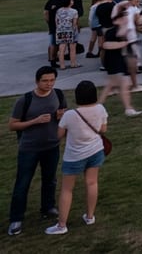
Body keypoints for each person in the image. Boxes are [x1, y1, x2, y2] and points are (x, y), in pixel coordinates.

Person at [7, 66, 66, 236]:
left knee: (50, 180)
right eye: (45, 81)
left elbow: (63, 116)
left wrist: (61, 117)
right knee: (22, 183)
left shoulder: (59, 95)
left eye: (52, 80)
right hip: (29, 148)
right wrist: (34, 121)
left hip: (52, 146)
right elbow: (12, 125)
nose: (49, 84)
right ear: (37, 81)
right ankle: (16, 218)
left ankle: (48, 207)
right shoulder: (25, 100)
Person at [44, 80, 106, 236]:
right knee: (92, 183)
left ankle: (62, 224)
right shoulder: (100, 109)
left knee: (67, 189)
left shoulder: (70, 115)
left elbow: (59, 135)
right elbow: (103, 129)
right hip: (96, 150)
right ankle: (90, 216)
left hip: (74, 155)